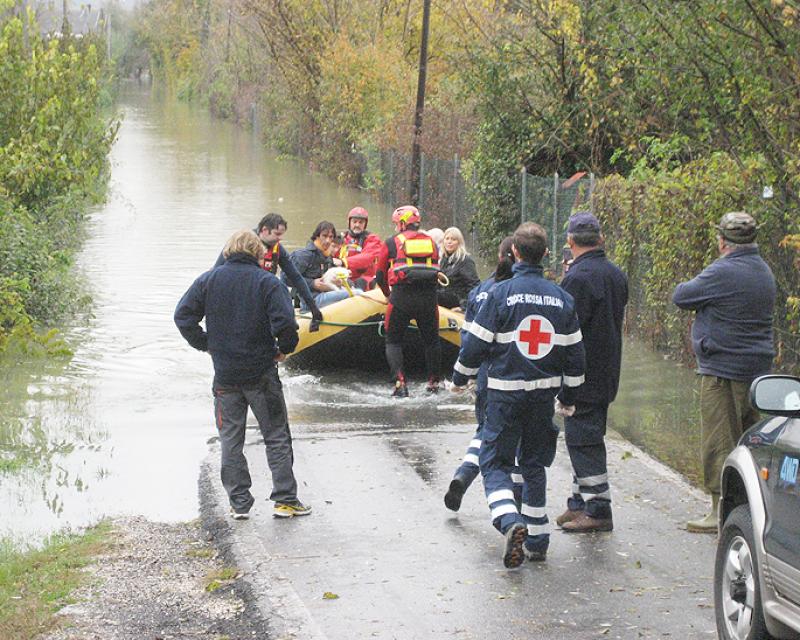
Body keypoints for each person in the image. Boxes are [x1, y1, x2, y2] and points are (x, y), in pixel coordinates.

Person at [451, 222, 585, 568]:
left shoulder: (499, 294)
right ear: (546, 255)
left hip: (503, 397)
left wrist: (458, 378)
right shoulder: (562, 299)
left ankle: (511, 522)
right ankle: (538, 540)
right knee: (534, 464)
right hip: (543, 398)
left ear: (514, 253)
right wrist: (568, 398)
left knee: (494, 462)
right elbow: (575, 357)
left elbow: (474, 345)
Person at [175, 230, 311, 519]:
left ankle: (239, 503)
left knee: (231, 439)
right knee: (275, 435)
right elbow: (286, 323)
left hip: (225, 377)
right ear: (258, 254)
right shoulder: (268, 282)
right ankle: (285, 500)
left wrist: (207, 344)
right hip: (262, 373)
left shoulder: (208, 280)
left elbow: (183, 317)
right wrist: (283, 349)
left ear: (227, 251)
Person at [673, 211, 776, 533]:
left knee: (719, 442)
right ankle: (747, 509)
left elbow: (682, 295)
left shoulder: (723, 271)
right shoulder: (763, 271)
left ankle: (719, 512)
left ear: (722, 241)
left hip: (723, 371)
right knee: (748, 441)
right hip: (756, 370)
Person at [555, 212, 628, 533]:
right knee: (584, 436)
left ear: (570, 242)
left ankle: (598, 509)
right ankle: (579, 502)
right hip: (608, 369)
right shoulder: (616, 275)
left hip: (583, 373)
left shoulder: (576, 279)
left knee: (583, 441)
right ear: (601, 239)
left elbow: (567, 331)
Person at [444, 236, 519, 512]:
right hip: (519, 373)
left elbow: (470, 339)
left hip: (487, 375)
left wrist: (463, 376)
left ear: (499, 256)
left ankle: (464, 473)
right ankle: (518, 505)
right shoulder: (518, 290)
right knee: (518, 441)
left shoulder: (483, 289)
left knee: (485, 429)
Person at [375, 205, 442, 397]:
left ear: (403, 223)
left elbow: (380, 274)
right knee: (432, 341)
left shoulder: (391, 242)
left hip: (401, 297)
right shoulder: (432, 242)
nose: (396, 227)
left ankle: (400, 382)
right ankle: (434, 382)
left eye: (397, 224)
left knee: (393, 341)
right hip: (429, 298)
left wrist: (388, 294)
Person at [214, 213, 323, 328]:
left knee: (282, 290)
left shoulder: (277, 248)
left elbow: (295, 277)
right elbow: (216, 273)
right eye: (277, 234)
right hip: (238, 296)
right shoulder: (240, 244)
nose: (280, 238)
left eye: (282, 235)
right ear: (265, 230)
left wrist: (313, 308)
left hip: (260, 295)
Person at [287, 221, 351, 309]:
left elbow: (329, 280)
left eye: (331, 237)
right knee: (356, 293)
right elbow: (286, 278)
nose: (328, 240)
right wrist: (312, 283)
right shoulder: (303, 255)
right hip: (311, 301)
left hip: (325, 295)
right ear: (317, 236)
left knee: (355, 290)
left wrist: (339, 282)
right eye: (324, 236)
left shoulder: (327, 258)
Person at [339, 207, 384, 290]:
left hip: (365, 279)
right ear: (349, 223)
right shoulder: (341, 239)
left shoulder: (373, 239)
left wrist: (343, 262)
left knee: (361, 281)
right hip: (344, 277)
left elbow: (367, 258)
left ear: (365, 224)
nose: (357, 225)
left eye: (361, 222)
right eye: (354, 222)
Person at [438, 227, 481, 310]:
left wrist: (463, 307)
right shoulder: (444, 260)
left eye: (453, 239)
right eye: (447, 239)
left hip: (458, 300)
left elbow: (474, 286)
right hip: (444, 298)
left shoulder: (465, 260)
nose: (449, 242)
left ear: (459, 242)